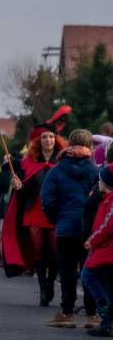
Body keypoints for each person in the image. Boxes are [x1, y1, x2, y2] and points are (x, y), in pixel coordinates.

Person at [41, 129, 99, 328]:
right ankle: (92, 315)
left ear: (68, 145)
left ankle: (66, 314)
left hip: (65, 227)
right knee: (89, 271)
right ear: (90, 146)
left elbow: (47, 199)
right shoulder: (96, 171)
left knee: (66, 272)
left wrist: (56, 219)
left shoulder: (56, 170)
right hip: (90, 230)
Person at [3, 127, 63, 306]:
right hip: (33, 211)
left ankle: (51, 282)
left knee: (54, 250)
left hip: (54, 212)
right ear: (39, 141)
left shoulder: (62, 162)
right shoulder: (28, 163)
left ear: (56, 140)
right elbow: (23, 189)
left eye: (51, 137)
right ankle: (43, 287)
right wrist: (19, 185)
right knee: (38, 249)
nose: (48, 140)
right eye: (44, 137)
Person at [82, 164, 113, 337]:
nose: (98, 182)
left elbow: (108, 225)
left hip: (106, 250)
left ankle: (105, 309)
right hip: (103, 249)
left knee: (89, 274)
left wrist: (92, 240)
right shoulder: (106, 199)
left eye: (100, 180)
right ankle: (107, 320)